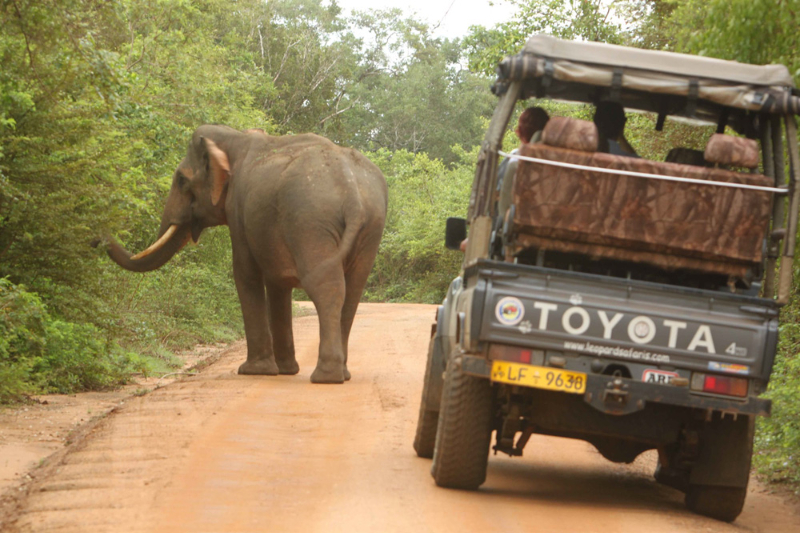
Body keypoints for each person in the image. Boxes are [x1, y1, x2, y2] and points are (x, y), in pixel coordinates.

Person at [496, 106, 549, 217]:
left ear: (519, 132)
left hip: (514, 228)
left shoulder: (513, 161)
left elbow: (497, 199)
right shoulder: (575, 165)